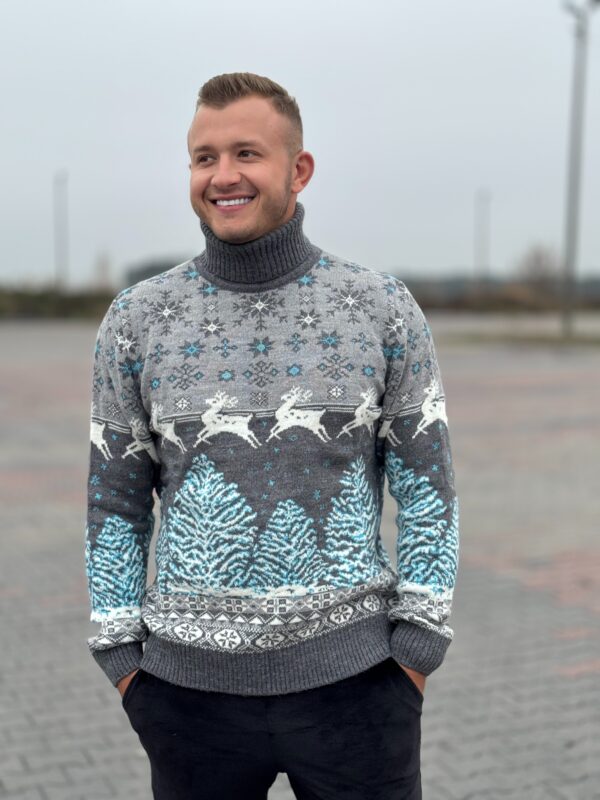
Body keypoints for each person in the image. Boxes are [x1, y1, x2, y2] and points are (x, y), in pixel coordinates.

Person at [85, 72, 459, 800]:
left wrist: (416, 650)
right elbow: (114, 501)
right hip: (187, 698)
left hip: (359, 690)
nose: (223, 175)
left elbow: (427, 488)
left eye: (247, 154)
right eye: (204, 157)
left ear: (299, 169)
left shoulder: (380, 308)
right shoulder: (137, 320)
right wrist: (123, 658)